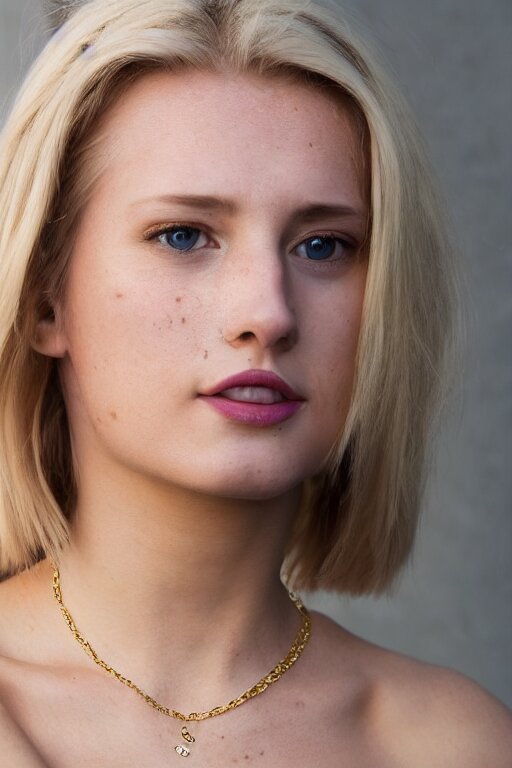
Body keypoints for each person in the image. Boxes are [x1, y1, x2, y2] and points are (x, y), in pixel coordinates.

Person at [0, 0, 510, 765]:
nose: (267, 314)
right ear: (46, 296)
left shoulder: (451, 743)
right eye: (184, 236)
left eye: (324, 246)